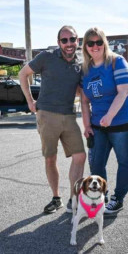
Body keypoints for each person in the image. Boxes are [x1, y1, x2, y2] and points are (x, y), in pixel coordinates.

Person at [18, 25, 86, 214]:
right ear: (59, 43)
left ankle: (75, 199)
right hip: (47, 115)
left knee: (80, 156)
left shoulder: (81, 60)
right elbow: (23, 74)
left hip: (69, 115)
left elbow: (81, 88)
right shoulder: (46, 57)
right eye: (64, 40)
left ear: (77, 41)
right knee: (50, 158)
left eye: (72, 39)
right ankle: (56, 198)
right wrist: (30, 100)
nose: (69, 43)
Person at [80, 27, 128, 214]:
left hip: (122, 123)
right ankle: (100, 198)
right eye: (91, 43)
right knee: (96, 164)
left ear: (104, 43)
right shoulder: (85, 70)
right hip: (98, 125)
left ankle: (118, 199)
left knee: (124, 161)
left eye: (99, 42)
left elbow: (124, 91)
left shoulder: (117, 62)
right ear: (86, 46)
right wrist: (87, 124)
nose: (95, 46)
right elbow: (84, 100)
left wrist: (110, 116)